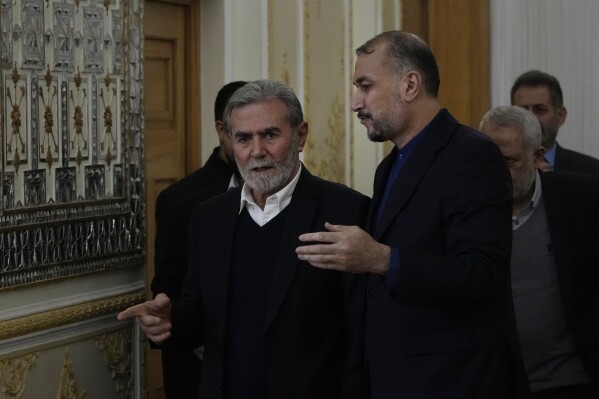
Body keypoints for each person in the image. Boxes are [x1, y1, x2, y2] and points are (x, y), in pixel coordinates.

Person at [295, 30, 517, 398]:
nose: (355, 102)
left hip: (453, 381)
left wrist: (382, 259)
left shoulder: (471, 154)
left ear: (410, 84)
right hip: (394, 376)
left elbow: (482, 275)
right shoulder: (389, 165)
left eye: (365, 86)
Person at [119, 79, 369, 398]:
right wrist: (170, 321)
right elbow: (198, 313)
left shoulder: (346, 209)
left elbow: (361, 333)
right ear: (229, 141)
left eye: (269, 135)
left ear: (300, 135)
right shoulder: (209, 217)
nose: (257, 151)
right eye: (243, 138)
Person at [480, 105, 599, 399]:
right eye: (487, 160)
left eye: (509, 161)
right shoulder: (464, 212)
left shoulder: (582, 199)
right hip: (497, 382)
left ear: (537, 156)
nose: (496, 173)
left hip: (572, 381)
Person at [150, 80, 246, 399]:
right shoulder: (180, 201)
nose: (255, 148)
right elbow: (167, 283)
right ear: (222, 129)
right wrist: (190, 336)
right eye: (243, 134)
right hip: (199, 365)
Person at [510, 69, 599, 175]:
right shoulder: (496, 168)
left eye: (540, 109)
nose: (530, 119)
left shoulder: (591, 171)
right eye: (522, 111)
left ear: (560, 116)